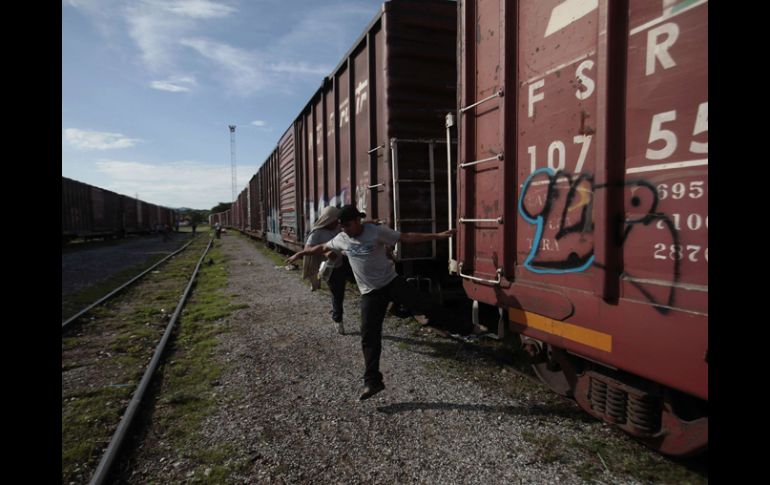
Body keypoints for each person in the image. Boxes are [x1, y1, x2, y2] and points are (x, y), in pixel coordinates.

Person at [285, 204, 454, 400]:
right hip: (370, 293)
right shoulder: (342, 238)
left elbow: (405, 237)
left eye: (348, 225)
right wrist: (300, 253)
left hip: (391, 283)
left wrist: (438, 236)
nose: (345, 230)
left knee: (426, 305)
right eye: (342, 226)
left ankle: (466, 327)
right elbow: (320, 247)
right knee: (369, 336)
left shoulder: (375, 232)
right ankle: (372, 382)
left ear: (358, 221)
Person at [302, 206, 353, 335]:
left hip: (343, 263)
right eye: (334, 221)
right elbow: (308, 249)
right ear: (327, 220)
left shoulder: (337, 227)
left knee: (343, 290)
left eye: (338, 221)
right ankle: (337, 319)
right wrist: (326, 252)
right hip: (331, 268)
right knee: (337, 294)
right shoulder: (317, 233)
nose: (337, 223)